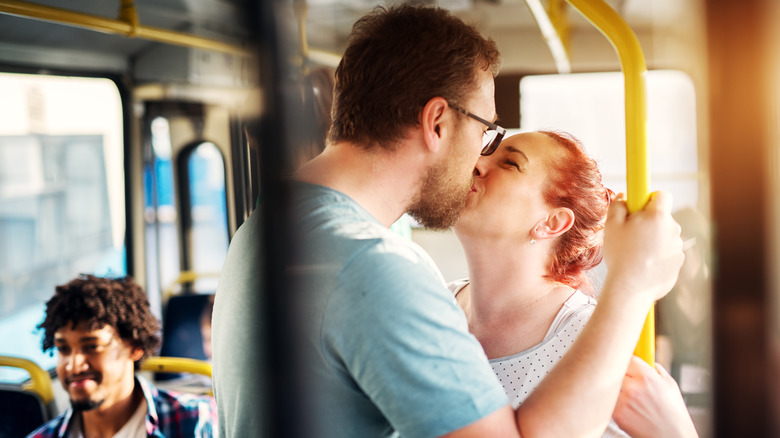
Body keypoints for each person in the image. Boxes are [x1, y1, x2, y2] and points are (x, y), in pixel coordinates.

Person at [212, 4, 684, 437]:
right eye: (486, 130)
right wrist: (631, 286)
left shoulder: (262, 231)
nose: (480, 157)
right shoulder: (374, 268)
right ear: (438, 122)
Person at [450, 130, 698, 437]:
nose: (476, 161)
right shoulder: (433, 301)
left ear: (552, 223)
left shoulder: (598, 339)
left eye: (511, 163)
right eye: (487, 152)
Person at [28, 274, 217, 438]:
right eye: (63, 349)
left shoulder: (198, 421)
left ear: (135, 346)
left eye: (92, 346)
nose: (74, 366)